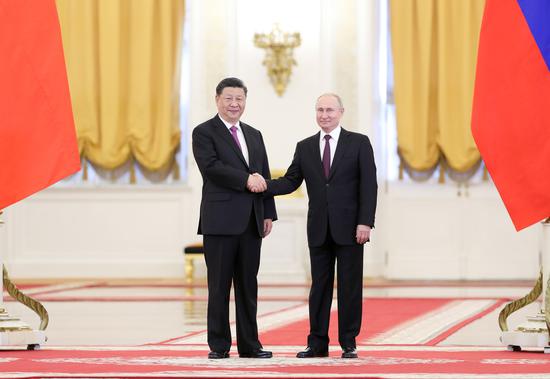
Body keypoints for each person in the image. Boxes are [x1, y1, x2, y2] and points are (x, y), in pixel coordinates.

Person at [249, 93, 377, 359]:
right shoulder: (305, 146)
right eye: (320, 110)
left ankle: (349, 342)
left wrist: (365, 222)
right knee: (319, 286)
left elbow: (369, 186)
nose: (324, 115)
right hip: (319, 228)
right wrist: (262, 185)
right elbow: (290, 181)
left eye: (330, 110)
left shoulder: (359, 143)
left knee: (349, 286)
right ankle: (317, 343)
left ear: (341, 112)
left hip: (352, 228)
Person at [192, 77, 277, 359]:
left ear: (245, 101)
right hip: (220, 221)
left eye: (239, 99)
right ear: (217, 99)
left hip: (252, 221)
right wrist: (245, 180)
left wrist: (268, 213)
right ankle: (218, 346)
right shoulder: (204, 132)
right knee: (218, 286)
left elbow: (263, 175)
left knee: (248, 286)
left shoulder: (254, 134)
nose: (234, 104)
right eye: (228, 98)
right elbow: (211, 168)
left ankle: (251, 346)